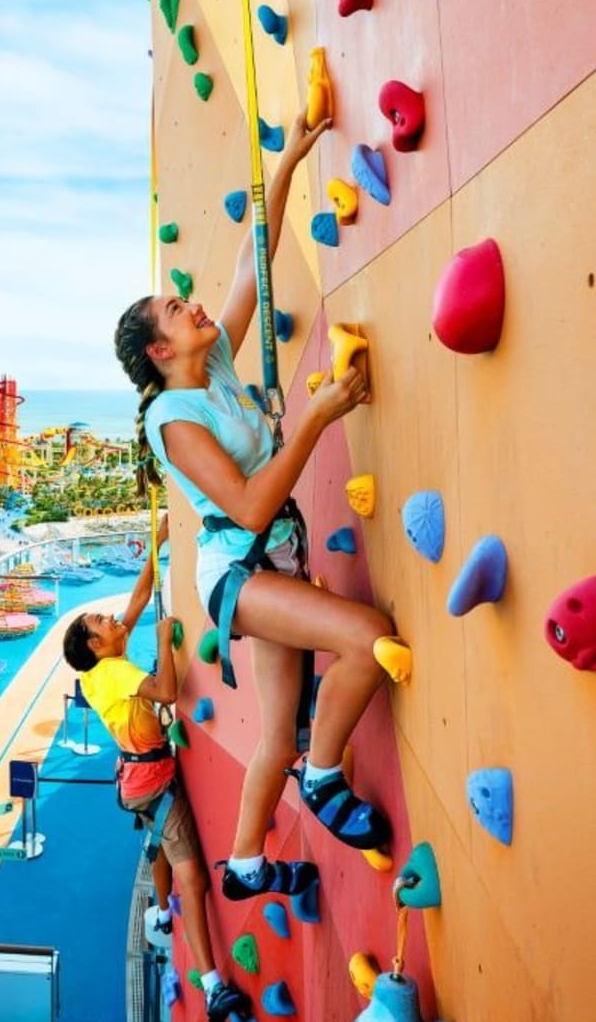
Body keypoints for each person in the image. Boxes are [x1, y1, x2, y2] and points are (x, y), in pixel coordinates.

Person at [112, 108, 398, 907]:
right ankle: (328, 773)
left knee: (276, 730)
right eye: (176, 310)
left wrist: (291, 160)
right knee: (368, 640)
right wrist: (314, 417)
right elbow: (246, 500)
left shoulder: (218, 364)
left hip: (271, 553)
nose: (193, 304)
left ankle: (243, 865)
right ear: (160, 351)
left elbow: (253, 269)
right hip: (239, 569)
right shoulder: (174, 419)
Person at [63, 604, 250, 1022]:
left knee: (158, 845)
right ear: (96, 645)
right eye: (101, 622)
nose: (114, 619)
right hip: (153, 783)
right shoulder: (113, 672)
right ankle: (214, 985)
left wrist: (157, 541)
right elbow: (167, 692)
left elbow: (137, 599)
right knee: (195, 878)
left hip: (136, 780)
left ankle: (165, 914)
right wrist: (164, 641)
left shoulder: (97, 668)